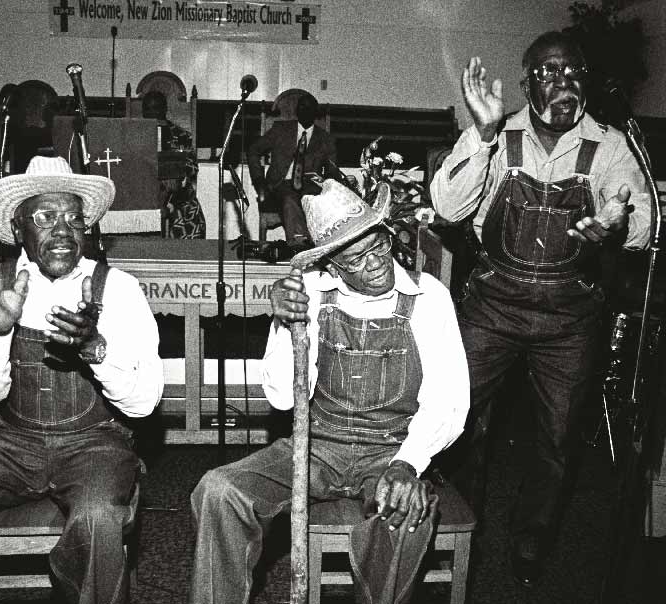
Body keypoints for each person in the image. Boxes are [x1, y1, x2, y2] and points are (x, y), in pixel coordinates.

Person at [430, 31, 650, 587]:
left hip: (570, 315)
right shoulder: (496, 135)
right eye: (550, 73)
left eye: (574, 72)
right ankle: (455, 532)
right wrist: (480, 133)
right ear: (529, 83)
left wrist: (618, 223)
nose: (563, 83)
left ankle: (532, 543)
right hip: (494, 302)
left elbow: (640, 217)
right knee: (458, 425)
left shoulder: (610, 144)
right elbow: (447, 208)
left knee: (557, 439)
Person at [190, 179, 469, 604]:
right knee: (219, 490)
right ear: (333, 267)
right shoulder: (312, 297)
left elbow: (448, 400)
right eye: (358, 259)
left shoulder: (429, 297)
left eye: (380, 247)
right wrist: (286, 325)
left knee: (402, 513)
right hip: (316, 444)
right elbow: (283, 398)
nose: (377, 264)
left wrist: (407, 464)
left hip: (391, 449)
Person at [0, 155, 164, 604]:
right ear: (18, 226)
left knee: (98, 518)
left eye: (73, 219)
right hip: (7, 443)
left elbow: (143, 405)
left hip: (94, 443)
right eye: (46, 217)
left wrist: (94, 347)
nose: (62, 230)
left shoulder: (118, 288)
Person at [248, 92, 340, 250]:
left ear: (315, 113)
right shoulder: (280, 129)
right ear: (297, 111)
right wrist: (259, 181)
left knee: (308, 200)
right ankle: (301, 246)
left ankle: (314, 245)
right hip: (279, 184)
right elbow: (253, 151)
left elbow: (333, 171)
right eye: (301, 107)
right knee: (290, 198)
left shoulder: (326, 139)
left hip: (310, 188)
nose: (305, 111)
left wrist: (328, 188)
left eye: (309, 108)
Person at [141, 89, 205, 238]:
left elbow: (192, 167)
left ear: (165, 109)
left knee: (191, 217)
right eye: (147, 109)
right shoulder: (134, 135)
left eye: (156, 108)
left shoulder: (182, 135)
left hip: (177, 198)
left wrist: (173, 179)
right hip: (143, 197)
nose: (152, 113)